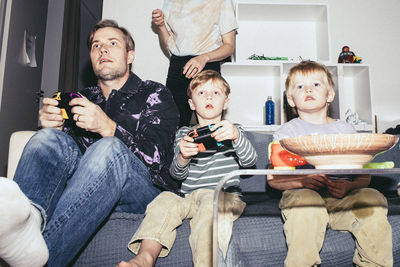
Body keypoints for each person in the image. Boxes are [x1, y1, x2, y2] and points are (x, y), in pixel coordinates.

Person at [0, 19, 179, 267]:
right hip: (91, 190)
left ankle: (38, 259)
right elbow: (69, 161)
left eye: (112, 43)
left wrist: (109, 128)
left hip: (144, 190)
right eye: (96, 45)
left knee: (109, 147)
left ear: (130, 55)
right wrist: (54, 127)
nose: (102, 49)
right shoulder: (81, 98)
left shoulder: (155, 93)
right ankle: (28, 220)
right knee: (47, 138)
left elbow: (157, 160)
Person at [117, 70, 257, 267]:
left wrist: (236, 137)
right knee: (164, 200)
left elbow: (250, 161)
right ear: (191, 103)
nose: (209, 96)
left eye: (216, 93)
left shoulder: (233, 130)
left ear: (226, 102)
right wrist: (183, 157)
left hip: (224, 195)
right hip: (189, 197)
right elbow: (176, 174)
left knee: (210, 205)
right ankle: (144, 258)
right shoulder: (183, 134)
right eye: (201, 93)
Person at [267, 60, 393, 267]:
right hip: (303, 197)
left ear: (330, 95)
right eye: (300, 86)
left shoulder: (346, 130)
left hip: (343, 199)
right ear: (291, 100)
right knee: (307, 202)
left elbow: (363, 175)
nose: (308, 89)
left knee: (373, 197)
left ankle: (375, 263)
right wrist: (302, 182)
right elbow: (273, 179)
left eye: (316, 84)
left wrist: (350, 185)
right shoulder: (285, 134)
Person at [152, 0, 238, 127]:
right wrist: (160, 26)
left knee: (211, 128)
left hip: (207, 65)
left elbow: (229, 46)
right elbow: (169, 47)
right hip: (177, 67)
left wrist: (204, 58)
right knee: (173, 127)